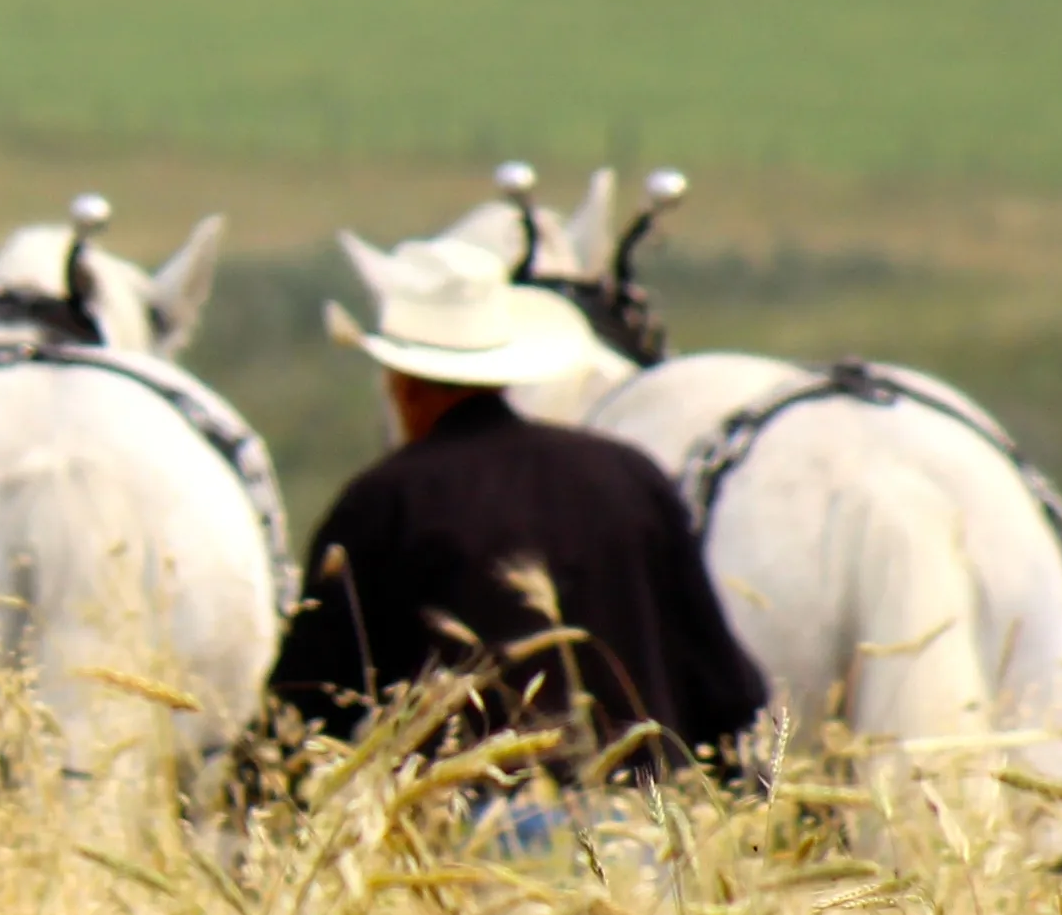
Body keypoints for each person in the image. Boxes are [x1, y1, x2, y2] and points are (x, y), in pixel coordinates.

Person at [258, 234, 768, 777]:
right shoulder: (630, 475)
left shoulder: (386, 500)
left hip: (467, 833)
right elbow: (727, 690)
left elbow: (305, 707)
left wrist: (242, 801)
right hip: (642, 826)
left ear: (401, 384)